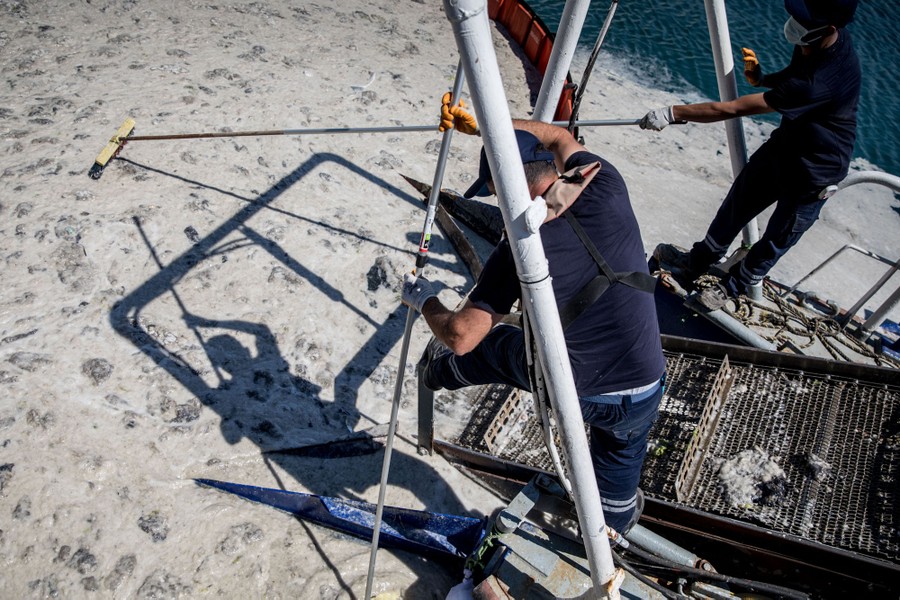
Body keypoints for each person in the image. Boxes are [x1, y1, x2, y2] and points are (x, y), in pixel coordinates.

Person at [402, 97, 666, 536]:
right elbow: (559, 135)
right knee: (623, 444)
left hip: (584, 393)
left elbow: (463, 335)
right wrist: (490, 126)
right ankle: (616, 521)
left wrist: (424, 300)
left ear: (504, 192)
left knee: (500, 345)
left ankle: (439, 374)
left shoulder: (521, 250)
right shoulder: (606, 183)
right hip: (649, 382)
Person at [640, 0, 860, 311]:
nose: (794, 21)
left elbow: (729, 109)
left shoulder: (818, 83)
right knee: (738, 203)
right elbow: (794, 74)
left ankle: (732, 286)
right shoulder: (817, 42)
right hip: (786, 146)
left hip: (815, 173)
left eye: (803, 19)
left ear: (829, 29)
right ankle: (698, 262)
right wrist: (763, 79)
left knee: (776, 237)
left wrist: (672, 113)